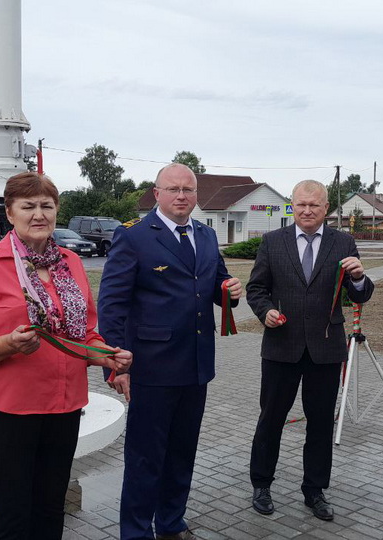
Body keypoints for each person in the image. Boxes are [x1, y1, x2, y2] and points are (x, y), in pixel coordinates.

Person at [0, 171, 132, 539]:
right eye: (28, 206)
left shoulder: (71, 263)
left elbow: (84, 334)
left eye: (47, 206)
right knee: (11, 515)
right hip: (8, 411)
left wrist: (106, 356)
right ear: (10, 212)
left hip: (64, 408)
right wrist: (7, 344)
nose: (39, 214)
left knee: (50, 509)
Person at [97, 163, 243, 540]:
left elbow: (214, 284)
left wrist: (229, 290)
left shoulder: (207, 236)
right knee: (146, 457)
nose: (181, 196)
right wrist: (116, 365)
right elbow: (112, 305)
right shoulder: (134, 236)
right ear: (156, 193)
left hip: (195, 365)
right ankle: (135, 531)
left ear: (197, 195)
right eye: (173, 189)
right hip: (151, 367)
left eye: (188, 190)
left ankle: (171, 522)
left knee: (181, 453)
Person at [246, 179, 375, 521]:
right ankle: (261, 483)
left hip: (325, 348)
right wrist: (265, 312)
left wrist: (360, 278)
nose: (306, 211)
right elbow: (256, 289)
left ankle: (314, 491)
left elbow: (359, 294)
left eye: (314, 205)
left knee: (319, 424)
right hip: (280, 347)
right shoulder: (273, 242)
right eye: (301, 204)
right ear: (292, 205)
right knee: (271, 419)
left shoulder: (343, 242)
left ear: (326, 209)